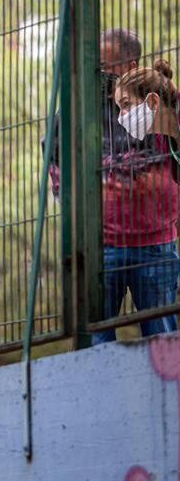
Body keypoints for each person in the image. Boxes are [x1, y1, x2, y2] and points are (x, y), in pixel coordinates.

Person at [46, 29, 180, 344]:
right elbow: (55, 160)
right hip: (101, 247)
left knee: (164, 341)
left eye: (106, 65)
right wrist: (73, 206)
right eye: (95, 65)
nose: (99, 72)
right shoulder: (77, 112)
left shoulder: (155, 103)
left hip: (156, 244)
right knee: (96, 342)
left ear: (130, 63)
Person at [104, 58, 180, 343]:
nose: (122, 115)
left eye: (126, 105)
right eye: (118, 108)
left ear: (151, 101)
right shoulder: (162, 139)